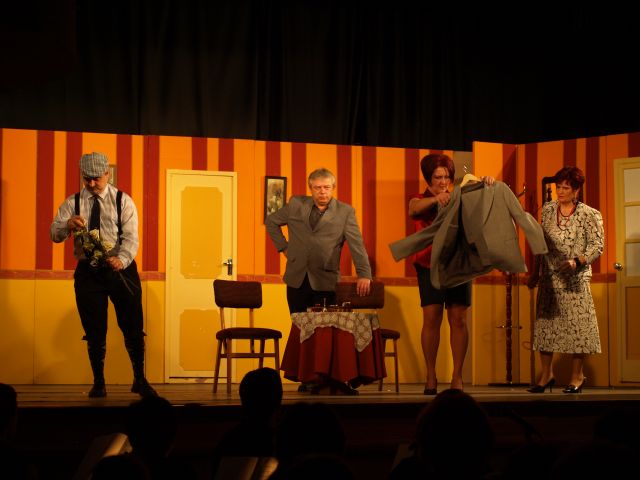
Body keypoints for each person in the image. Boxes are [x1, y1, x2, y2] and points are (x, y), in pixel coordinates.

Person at [50, 152, 156, 398]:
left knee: (133, 326)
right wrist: (67, 225)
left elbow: (131, 237)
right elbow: (54, 234)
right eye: (86, 178)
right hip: (88, 272)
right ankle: (99, 382)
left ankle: (139, 379)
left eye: (96, 178)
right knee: (94, 329)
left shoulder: (123, 201)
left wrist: (122, 259)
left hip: (121, 270)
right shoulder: (72, 202)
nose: (91, 183)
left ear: (107, 174)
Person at [265, 168, 372, 391]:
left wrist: (364, 274)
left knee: (323, 333)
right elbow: (271, 221)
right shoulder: (296, 204)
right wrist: (283, 247)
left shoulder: (345, 212)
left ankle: (326, 378)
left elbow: (356, 244)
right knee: (301, 331)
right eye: (317, 188)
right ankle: (307, 378)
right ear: (310, 188)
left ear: (333, 188)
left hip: (325, 279)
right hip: (297, 278)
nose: (322, 192)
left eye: (326, 187)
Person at [404, 154, 495, 393]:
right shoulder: (420, 199)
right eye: (438, 177)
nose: (443, 181)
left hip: (459, 264)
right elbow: (413, 209)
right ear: (428, 179)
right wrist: (437, 199)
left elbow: (483, 204)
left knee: (458, 319)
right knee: (431, 318)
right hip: (429, 265)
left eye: (447, 177)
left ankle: (457, 376)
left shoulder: (459, 196)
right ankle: (431, 375)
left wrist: (486, 184)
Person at [527, 166, 604, 394]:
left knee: (578, 328)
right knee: (546, 327)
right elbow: (541, 244)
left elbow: (597, 246)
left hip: (575, 280)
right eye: (558, 187)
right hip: (550, 279)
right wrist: (535, 273)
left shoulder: (589, 214)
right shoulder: (548, 210)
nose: (560, 191)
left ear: (576, 190)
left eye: (566, 187)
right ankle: (546, 375)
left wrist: (576, 261)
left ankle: (577, 376)